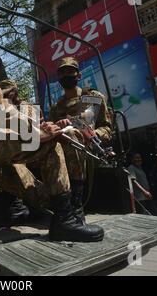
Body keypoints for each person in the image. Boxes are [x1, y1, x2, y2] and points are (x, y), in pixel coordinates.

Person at [0, 15, 104, 242]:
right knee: (51, 143)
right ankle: (66, 220)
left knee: (47, 142)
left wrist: (36, 128)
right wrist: (37, 132)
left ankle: (68, 213)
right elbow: (0, 108)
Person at [49, 56, 113, 222]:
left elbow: (106, 128)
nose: (66, 76)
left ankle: (76, 206)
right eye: (62, 73)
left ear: (78, 75)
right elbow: (51, 130)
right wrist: (58, 125)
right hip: (63, 146)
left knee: (72, 135)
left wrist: (93, 135)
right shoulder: (57, 107)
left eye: (70, 72)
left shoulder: (92, 97)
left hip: (89, 146)